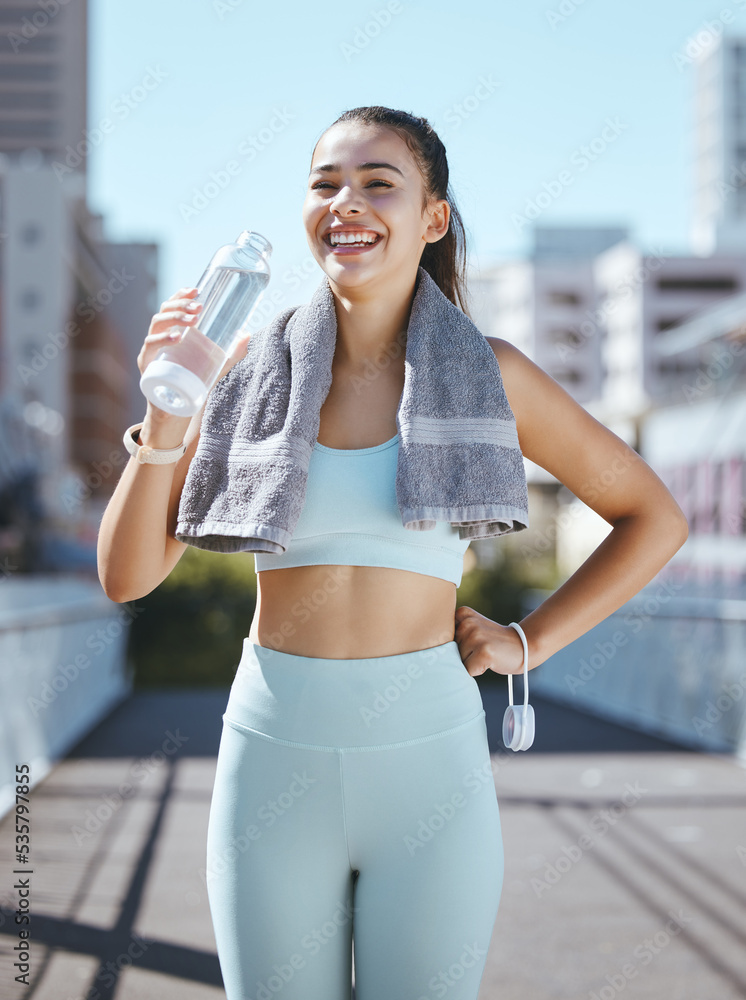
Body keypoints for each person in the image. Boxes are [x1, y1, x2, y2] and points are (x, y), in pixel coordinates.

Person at [97, 106, 689, 1000]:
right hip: (273, 756)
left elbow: (654, 517)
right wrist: (171, 409)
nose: (348, 203)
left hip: (429, 767)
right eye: (326, 183)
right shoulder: (246, 368)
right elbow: (126, 575)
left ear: (433, 218)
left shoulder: (493, 375)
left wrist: (529, 641)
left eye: (380, 184)